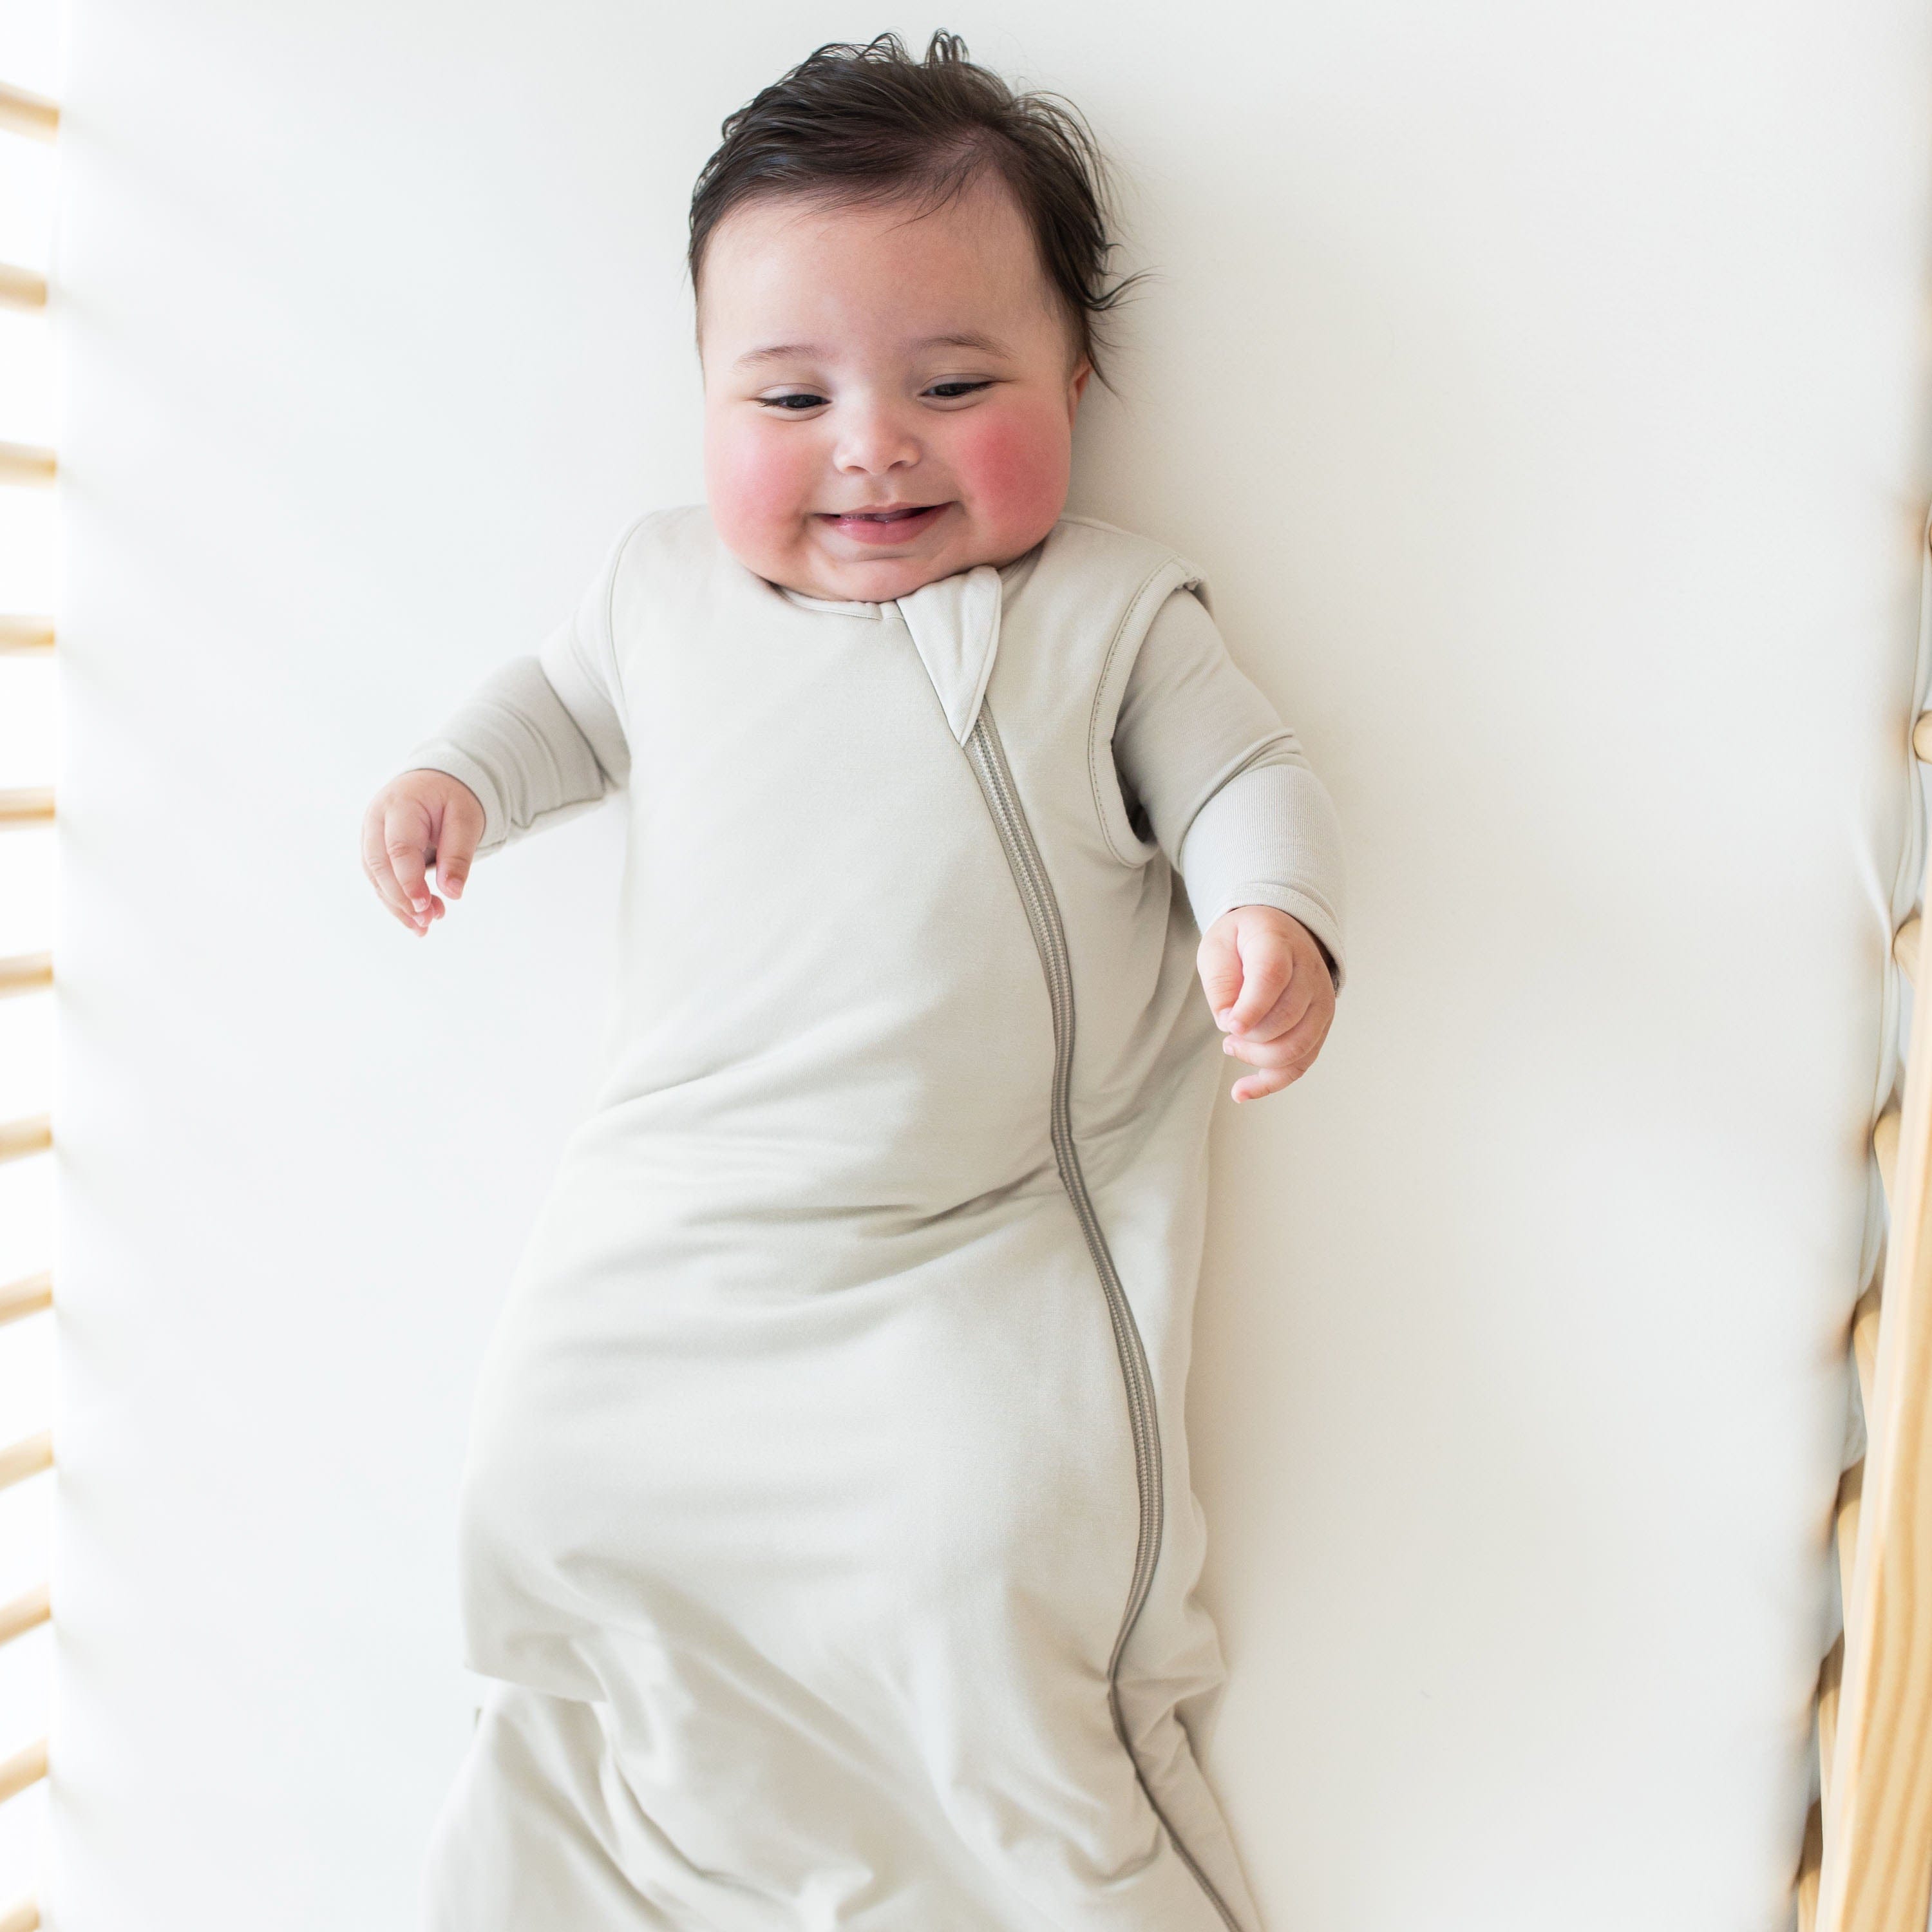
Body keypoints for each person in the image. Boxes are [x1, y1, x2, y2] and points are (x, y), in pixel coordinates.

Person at [361, 30, 1347, 1931]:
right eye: (789, 395)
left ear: (1079, 378)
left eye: (954, 382)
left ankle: (1024, 1862)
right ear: (705, 403)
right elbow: (560, 707)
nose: (871, 443)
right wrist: (456, 781)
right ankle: (581, 1850)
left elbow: (1248, 777)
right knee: (546, 1496)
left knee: (974, 1562)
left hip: (955, 1251)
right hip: (670, 1227)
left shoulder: (1105, 613)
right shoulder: (658, 593)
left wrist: (1272, 916)